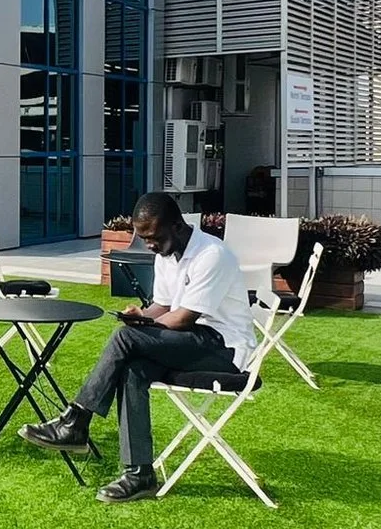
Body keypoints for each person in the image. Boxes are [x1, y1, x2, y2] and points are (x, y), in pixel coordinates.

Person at [21, 191, 253, 502]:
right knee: (134, 368)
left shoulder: (211, 255)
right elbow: (163, 306)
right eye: (143, 238)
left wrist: (141, 329)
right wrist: (142, 316)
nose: (149, 245)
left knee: (126, 338)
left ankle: (76, 421)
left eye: (154, 237)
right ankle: (140, 474)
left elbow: (183, 318)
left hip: (225, 350)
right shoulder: (166, 254)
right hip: (191, 342)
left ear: (177, 226)